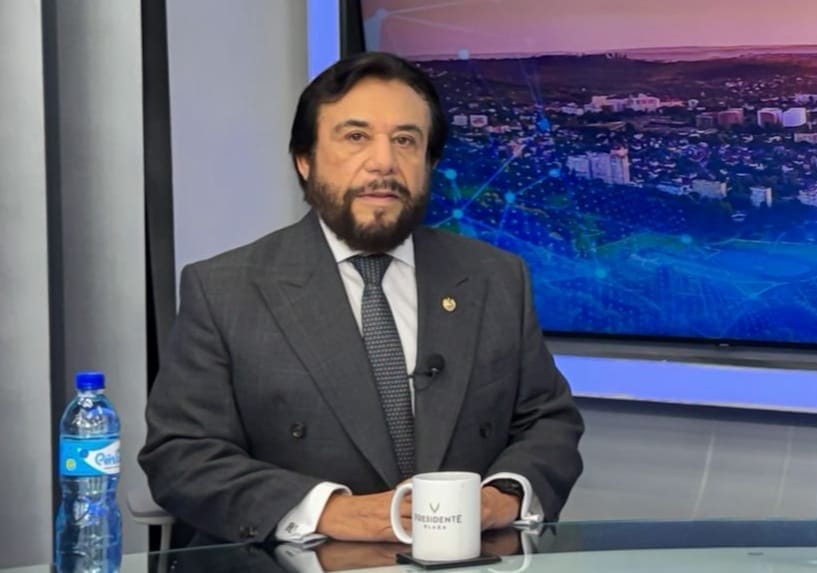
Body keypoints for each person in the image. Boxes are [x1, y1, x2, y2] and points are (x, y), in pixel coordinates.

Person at [138, 51, 584, 545]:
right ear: (305, 160)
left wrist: (503, 496)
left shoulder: (496, 277)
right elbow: (182, 455)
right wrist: (332, 512)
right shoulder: (224, 289)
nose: (383, 162)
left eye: (405, 141)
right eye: (356, 137)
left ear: (430, 163)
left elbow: (547, 421)